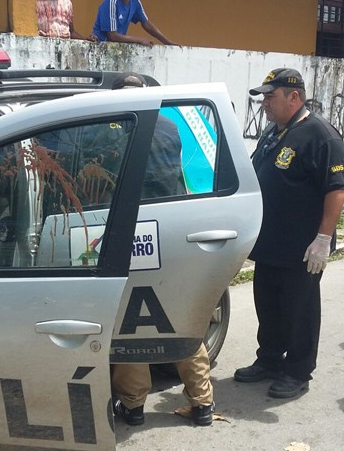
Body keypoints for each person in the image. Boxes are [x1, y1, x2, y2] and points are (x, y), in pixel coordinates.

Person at [234, 68, 344, 399]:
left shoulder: (320, 135)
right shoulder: (277, 131)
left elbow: (337, 189)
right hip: (271, 244)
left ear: (293, 97)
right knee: (268, 306)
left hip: (303, 248)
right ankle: (269, 360)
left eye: (271, 96)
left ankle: (298, 371)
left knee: (300, 311)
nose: (265, 103)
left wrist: (323, 239)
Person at [110, 72, 215, 427]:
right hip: (170, 228)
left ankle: (134, 406)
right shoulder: (168, 125)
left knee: (131, 324)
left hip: (129, 234)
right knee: (177, 319)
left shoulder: (112, 129)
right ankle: (202, 405)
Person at [91, 0, 177, 46]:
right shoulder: (111, 1)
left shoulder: (135, 0)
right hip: (101, 45)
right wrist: (140, 40)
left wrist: (167, 42)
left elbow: (146, 23)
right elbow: (112, 36)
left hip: (117, 47)